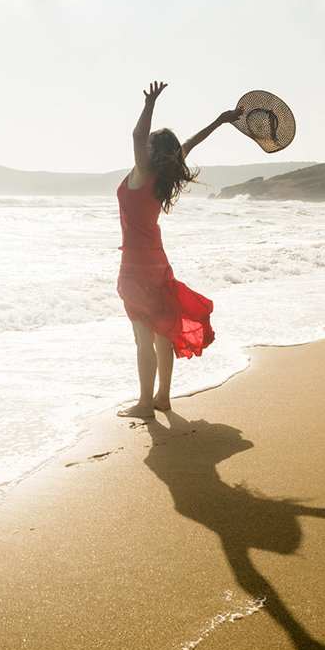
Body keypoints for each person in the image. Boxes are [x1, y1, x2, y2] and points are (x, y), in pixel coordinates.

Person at [116, 81, 243, 418]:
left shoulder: (143, 174)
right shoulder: (163, 175)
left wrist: (150, 104)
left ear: (153, 151)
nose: (143, 148)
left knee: (144, 339)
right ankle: (162, 398)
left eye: (149, 146)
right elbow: (187, 144)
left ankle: (145, 405)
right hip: (158, 264)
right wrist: (220, 120)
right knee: (163, 333)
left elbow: (136, 137)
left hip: (136, 267)